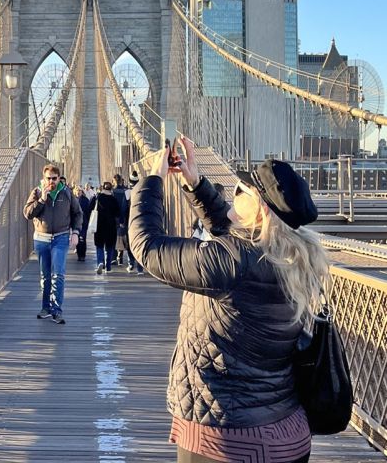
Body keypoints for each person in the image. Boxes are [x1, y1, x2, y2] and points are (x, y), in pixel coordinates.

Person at [128, 136, 329, 463]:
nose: (232, 193)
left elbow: (147, 248)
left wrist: (152, 180)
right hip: (288, 433)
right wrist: (195, 185)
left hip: (225, 440)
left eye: (240, 190)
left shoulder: (235, 262)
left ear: (259, 209)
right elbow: (233, 237)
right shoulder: (294, 258)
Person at [24, 163, 82, 324]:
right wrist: (42, 199)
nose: (51, 181)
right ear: (44, 178)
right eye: (48, 178)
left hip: (61, 238)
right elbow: (28, 214)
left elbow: (77, 213)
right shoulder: (36, 192)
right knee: (46, 276)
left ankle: (57, 310)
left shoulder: (67, 193)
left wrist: (76, 233)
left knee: (59, 274)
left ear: (59, 178)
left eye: (54, 178)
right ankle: (46, 308)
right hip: (41, 239)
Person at [93, 181, 121, 274]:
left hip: (99, 225)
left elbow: (90, 209)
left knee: (99, 245)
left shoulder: (98, 197)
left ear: (103, 188)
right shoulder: (113, 199)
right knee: (109, 247)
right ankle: (108, 267)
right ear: (111, 189)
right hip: (111, 226)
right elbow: (118, 213)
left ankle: (100, 262)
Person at [122, 171, 144, 274]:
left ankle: (131, 263)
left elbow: (123, 209)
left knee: (130, 243)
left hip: (129, 221)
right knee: (140, 242)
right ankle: (140, 267)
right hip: (140, 220)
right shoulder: (142, 191)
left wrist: (122, 221)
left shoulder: (127, 193)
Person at [111, 174, 128, 267]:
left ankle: (113, 257)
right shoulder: (125, 191)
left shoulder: (112, 192)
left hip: (114, 218)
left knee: (113, 237)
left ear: (114, 181)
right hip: (123, 217)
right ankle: (120, 256)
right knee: (121, 236)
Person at [75, 187, 92, 262]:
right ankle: (79, 254)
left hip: (83, 222)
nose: (78, 192)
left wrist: (88, 221)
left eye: (80, 191)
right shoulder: (73, 200)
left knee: (82, 239)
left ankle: (83, 255)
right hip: (75, 223)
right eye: (77, 191)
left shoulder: (85, 200)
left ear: (82, 192)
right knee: (77, 239)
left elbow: (89, 211)